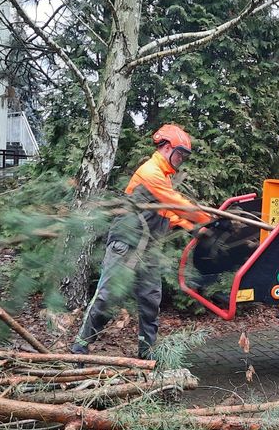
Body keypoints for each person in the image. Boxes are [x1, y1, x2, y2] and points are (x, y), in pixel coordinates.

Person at [72, 124, 211, 358]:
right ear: (166, 148)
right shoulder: (150, 172)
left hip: (148, 249)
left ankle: (146, 355)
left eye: (184, 156)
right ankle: (80, 347)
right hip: (126, 243)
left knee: (150, 300)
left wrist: (192, 227)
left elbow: (168, 213)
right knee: (107, 296)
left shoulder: (164, 178)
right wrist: (206, 219)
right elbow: (174, 202)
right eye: (179, 154)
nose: (181, 160)